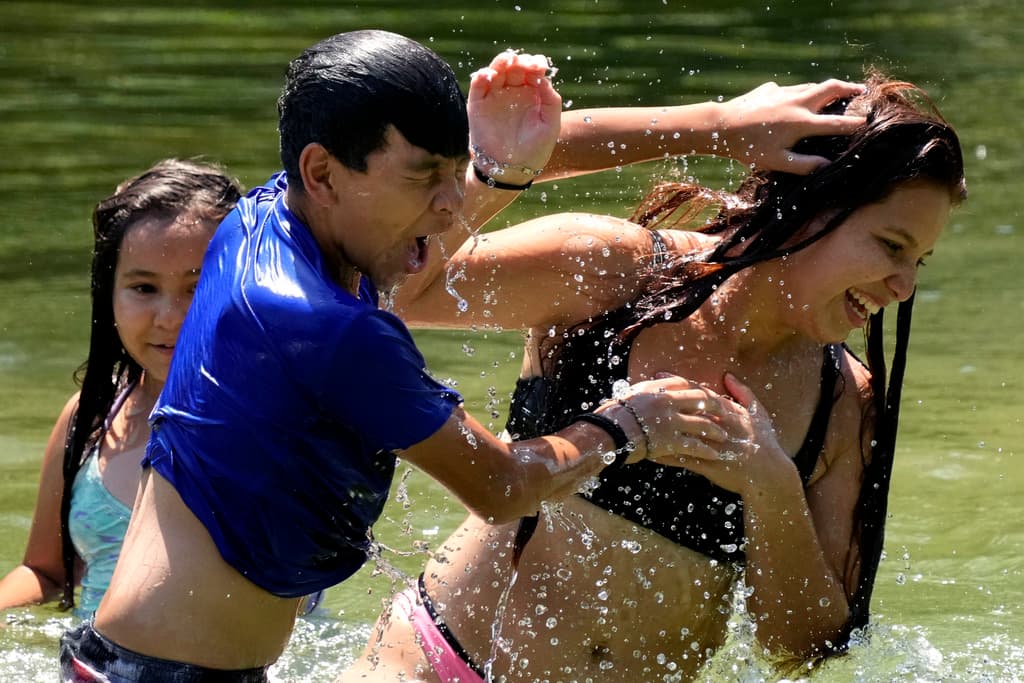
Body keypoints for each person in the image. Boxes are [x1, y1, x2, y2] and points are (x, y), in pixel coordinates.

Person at [63, 30, 865, 681]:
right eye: (428, 180)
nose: (454, 205)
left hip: (140, 662)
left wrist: (713, 130)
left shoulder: (266, 216)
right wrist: (627, 425)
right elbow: (504, 485)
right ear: (326, 172)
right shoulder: (333, 330)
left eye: (458, 174)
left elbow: (521, 157)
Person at [342, 72, 967, 683]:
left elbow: (805, 651)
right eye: (891, 245)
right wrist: (494, 171)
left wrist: (772, 488)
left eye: (919, 260)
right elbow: (396, 288)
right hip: (434, 662)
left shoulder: (843, 403)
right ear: (810, 207)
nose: (905, 285)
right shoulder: (614, 272)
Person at [0, 160, 242, 619]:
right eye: (144, 287)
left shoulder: (281, 415)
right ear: (108, 293)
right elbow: (46, 572)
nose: (169, 317)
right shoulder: (89, 418)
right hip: (91, 663)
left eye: (197, 287)